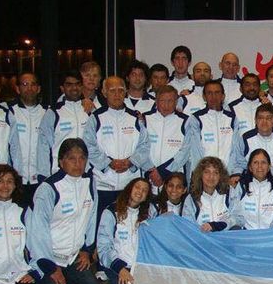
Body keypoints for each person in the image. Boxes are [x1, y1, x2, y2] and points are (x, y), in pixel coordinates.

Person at [28, 138, 101, 284]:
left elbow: (92, 219)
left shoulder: (89, 183)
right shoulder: (48, 189)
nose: (78, 163)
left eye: (82, 158)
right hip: (49, 257)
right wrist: (50, 267)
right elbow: (38, 232)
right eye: (71, 158)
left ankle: (65, 277)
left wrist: (86, 250)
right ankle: (39, 279)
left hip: (73, 256)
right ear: (61, 162)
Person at [83, 76, 152, 233]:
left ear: (126, 92)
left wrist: (130, 162)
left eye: (120, 90)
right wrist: (108, 163)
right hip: (103, 183)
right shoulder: (96, 118)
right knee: (102, 229)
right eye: (112, 90)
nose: (117, 94)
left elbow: (144, 145)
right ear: (104, 92)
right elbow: (89, 145)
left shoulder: (135, 118)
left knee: (129, 228)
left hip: (130, 185)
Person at [97, 178, 155, 284]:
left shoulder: (150, 213)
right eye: (137, 187)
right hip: (118, 265)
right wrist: (120, 268)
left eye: (144, 190)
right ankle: (111, 275)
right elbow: (104, 247)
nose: (140, 192)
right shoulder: (111, 212)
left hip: (139, 265)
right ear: (129, 189)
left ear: (146, 196)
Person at [37, 71, 90, 180]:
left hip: (85, 171)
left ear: (82, 86)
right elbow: (43, 145)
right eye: (69, 84)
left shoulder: (89, 110)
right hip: (59, 173)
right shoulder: (54, 112)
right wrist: (43, 175)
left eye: (77, 84)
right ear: (62, 88)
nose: (74, 88)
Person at [187, 80, 241, 176]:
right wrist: (201, 174)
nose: (213, 96)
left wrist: (230, 172)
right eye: (209, 93)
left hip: (227, 174)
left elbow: (235, 150)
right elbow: (195, 152)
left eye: (217, 92)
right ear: (204, 96)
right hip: (205, 175)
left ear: (223, 96)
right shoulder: (196, 118)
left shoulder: (232, 118)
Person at [9, 72, 47, 207]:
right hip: (15, 180)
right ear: (18, 88)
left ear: (38, 88)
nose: (29, 88)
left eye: (33, 84)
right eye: (25, 84)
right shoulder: (7, 111)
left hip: (40, 180)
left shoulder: (47, 113)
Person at [143, 86, 191, 192]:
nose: (166, 105)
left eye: (170, 101)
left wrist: (162, 172)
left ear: (176, 102)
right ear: (156, 101)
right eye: (162, 101)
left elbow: (185, 152)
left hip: (174, 178)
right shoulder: (145, 118)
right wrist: (150, 170)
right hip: (148, 176)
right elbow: (139, 147)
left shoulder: (186, 121)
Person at [232, 103, 273, 177]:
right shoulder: (245, 139)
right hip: (252, 181)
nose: (264, 121)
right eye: (260, 118)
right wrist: (237, 175)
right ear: (255, 120)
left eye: (268, 118)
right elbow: (239, 164)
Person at [182, 156, 238, 232]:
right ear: (200, 174)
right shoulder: (191, 199)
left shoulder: (229, 192)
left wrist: (219, 225)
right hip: (202, 238)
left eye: (215, 172)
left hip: (226, 237)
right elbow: (188, 227)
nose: (211, 176)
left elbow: (239, 218)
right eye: (207, 172)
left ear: (220, 176)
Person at [233, 149, 273, 229]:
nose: (260, 166)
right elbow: (235, 213)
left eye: (263, 162)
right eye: (255, 162)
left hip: (271, 235)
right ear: (250, 167)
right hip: (246, 235)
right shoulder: (242, 186)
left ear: (269, 167)